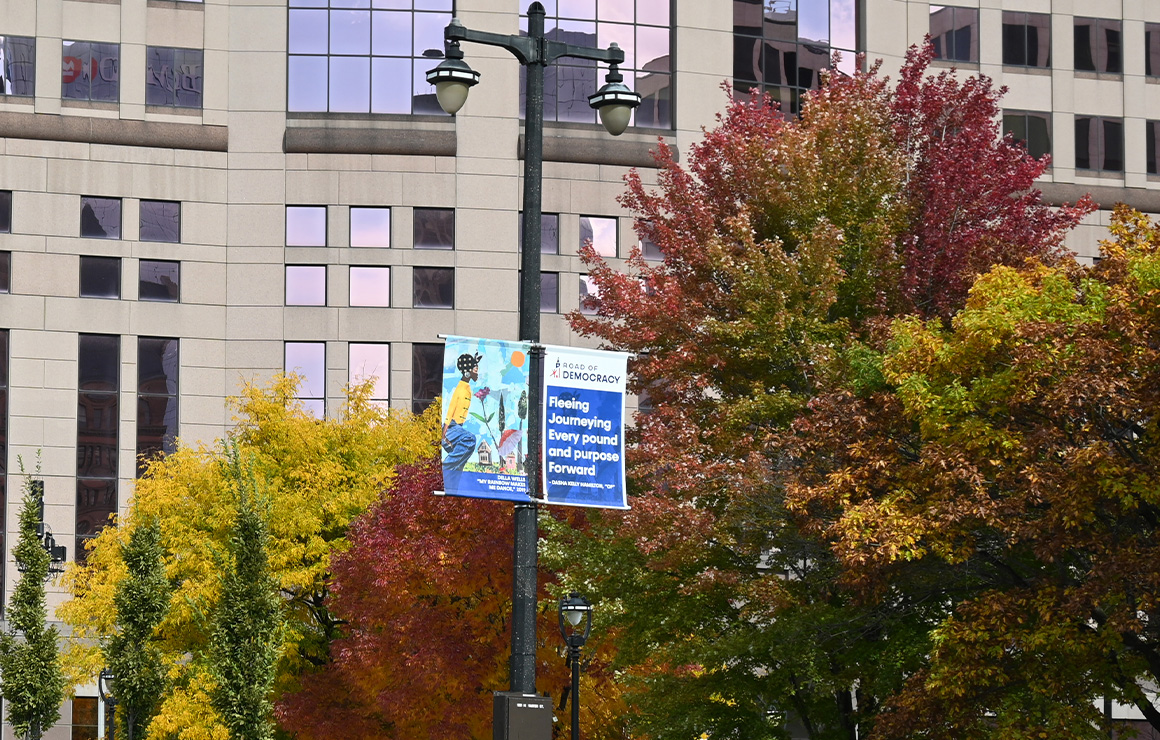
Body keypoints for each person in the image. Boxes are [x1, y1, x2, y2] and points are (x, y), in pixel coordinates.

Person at [442, 352, 480, 491]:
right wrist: (445, 430)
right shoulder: (460, 389)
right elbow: (451, 408)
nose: (477, 374)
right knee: (470, 439)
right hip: (451, 427)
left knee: (460, 463)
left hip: (456, 428)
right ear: (468, 372)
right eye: (475, 371)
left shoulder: (467, 388)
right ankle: (444, 469)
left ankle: (452, 486)